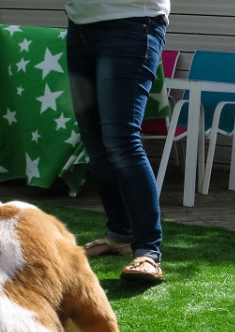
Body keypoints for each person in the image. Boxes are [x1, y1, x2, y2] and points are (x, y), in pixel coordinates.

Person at [65, 0, 170, 284]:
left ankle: (148, 250)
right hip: (80, 25)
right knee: (95, 143)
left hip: (133, 21)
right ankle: (119, 235)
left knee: (121, 140)